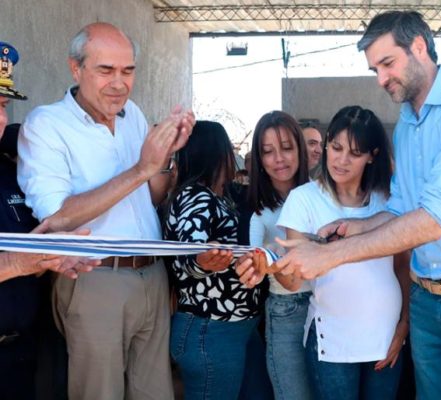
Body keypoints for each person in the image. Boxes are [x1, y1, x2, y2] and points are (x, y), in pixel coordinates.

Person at [271, 11, 441, 399]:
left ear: (420, 47)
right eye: (375, 68)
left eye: (387, 63)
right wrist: (354, 226)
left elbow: (432, 220)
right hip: (427, 297)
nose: (381, 79)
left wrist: (333, 255)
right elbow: (403, 207)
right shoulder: (408, 121)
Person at [17, 23, 195, 399]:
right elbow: (57, 218)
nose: (119, 83)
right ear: (75, 69)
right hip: (95, 279)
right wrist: (142, 168)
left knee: (155, 393)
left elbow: (152, 197)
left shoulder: (135, 116)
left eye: (128, 71)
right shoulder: (46, 125)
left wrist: (166, 158)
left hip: (152, 274)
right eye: (106, 70)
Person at [269, 105, 408, 399]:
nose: (341, 160)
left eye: (355, 153)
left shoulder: (390, 202)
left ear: (373, 156)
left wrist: (403, 325)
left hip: (386, 339)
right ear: (327, 142)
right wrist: (275, 268)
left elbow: (402, 268)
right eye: (336, 147)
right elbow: (295, 281)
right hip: (331, 343)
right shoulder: (303, 199)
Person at [0, 42, 98, 399]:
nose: (0, 118)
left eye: (2, 105)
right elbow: (16, 260)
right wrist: (17, 262)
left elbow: (30, 255)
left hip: (18, 358)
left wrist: (50, 260)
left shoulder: (13, 177)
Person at [163, 120, 262, 398]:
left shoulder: (223, 196)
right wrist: (202, 261)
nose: (234, 155)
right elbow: (190, 251)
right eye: (229, 148)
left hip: (233, 328)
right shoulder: (196, 196)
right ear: (215, 153)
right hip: (211, 330)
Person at [245, 111, 312, 400]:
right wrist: (258, 265)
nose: (279, 159)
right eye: (268, 152)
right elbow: (254, 264)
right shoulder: (259, 212)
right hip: (286, 310)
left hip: (330, 306)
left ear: (300, 148)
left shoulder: (320, 196)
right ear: (259, 159)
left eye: (286, 148)